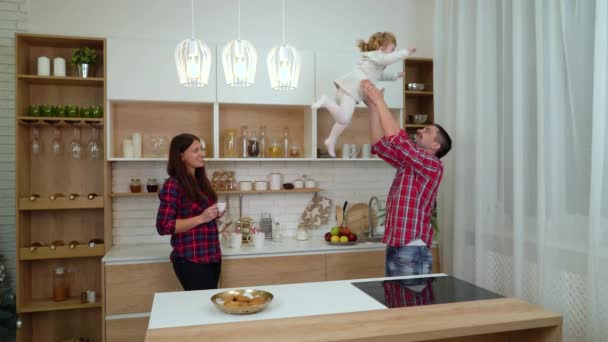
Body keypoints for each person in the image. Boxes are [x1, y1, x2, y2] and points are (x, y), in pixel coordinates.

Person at [361, 80, 452, 277]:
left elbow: (398, 140)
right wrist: (372, 107)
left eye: (427, 131)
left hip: (412, 248)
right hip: (398, 246)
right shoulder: (409, 162)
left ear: (436, 146)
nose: (419, 130)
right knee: (398, 306)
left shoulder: (432, 165)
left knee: (410, 307)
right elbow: (380, 144)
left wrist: (379, 100)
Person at [313, 32, 415, 157]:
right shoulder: (376, 55)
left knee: (343, 121)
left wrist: (395, 76)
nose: (393, 52)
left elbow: (380, 76)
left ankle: (331, 140)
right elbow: (388, 58)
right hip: (350, 89)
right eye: (392, 49)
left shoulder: (375, 63)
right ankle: (326, 102)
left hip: (349, 90)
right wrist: (405, 53)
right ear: (381, 47)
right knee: (344, 119)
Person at [156, 133, 223, 291]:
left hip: (212, 256)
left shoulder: (201, 183)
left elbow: (204, 216)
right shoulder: (173, 185)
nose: (202, 154)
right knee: (201, 310)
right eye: (196, 150)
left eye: (202, 149)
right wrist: (201, 218)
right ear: (181, 156)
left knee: (208, 308)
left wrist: (215, 214)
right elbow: (163, 226)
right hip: (191, 260)